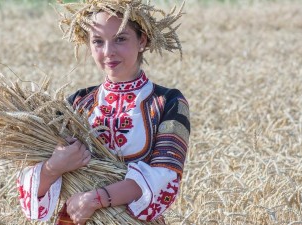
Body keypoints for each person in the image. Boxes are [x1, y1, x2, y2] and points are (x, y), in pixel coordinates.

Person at [17, 1, 190, 224]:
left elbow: (165, 177)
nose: (108, 52)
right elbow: (30, 185)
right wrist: (53, 167)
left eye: (120, 39)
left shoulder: (168, 103)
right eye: (98, 41)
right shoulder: (76, 104)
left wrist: (96, 199)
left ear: (142, 40)